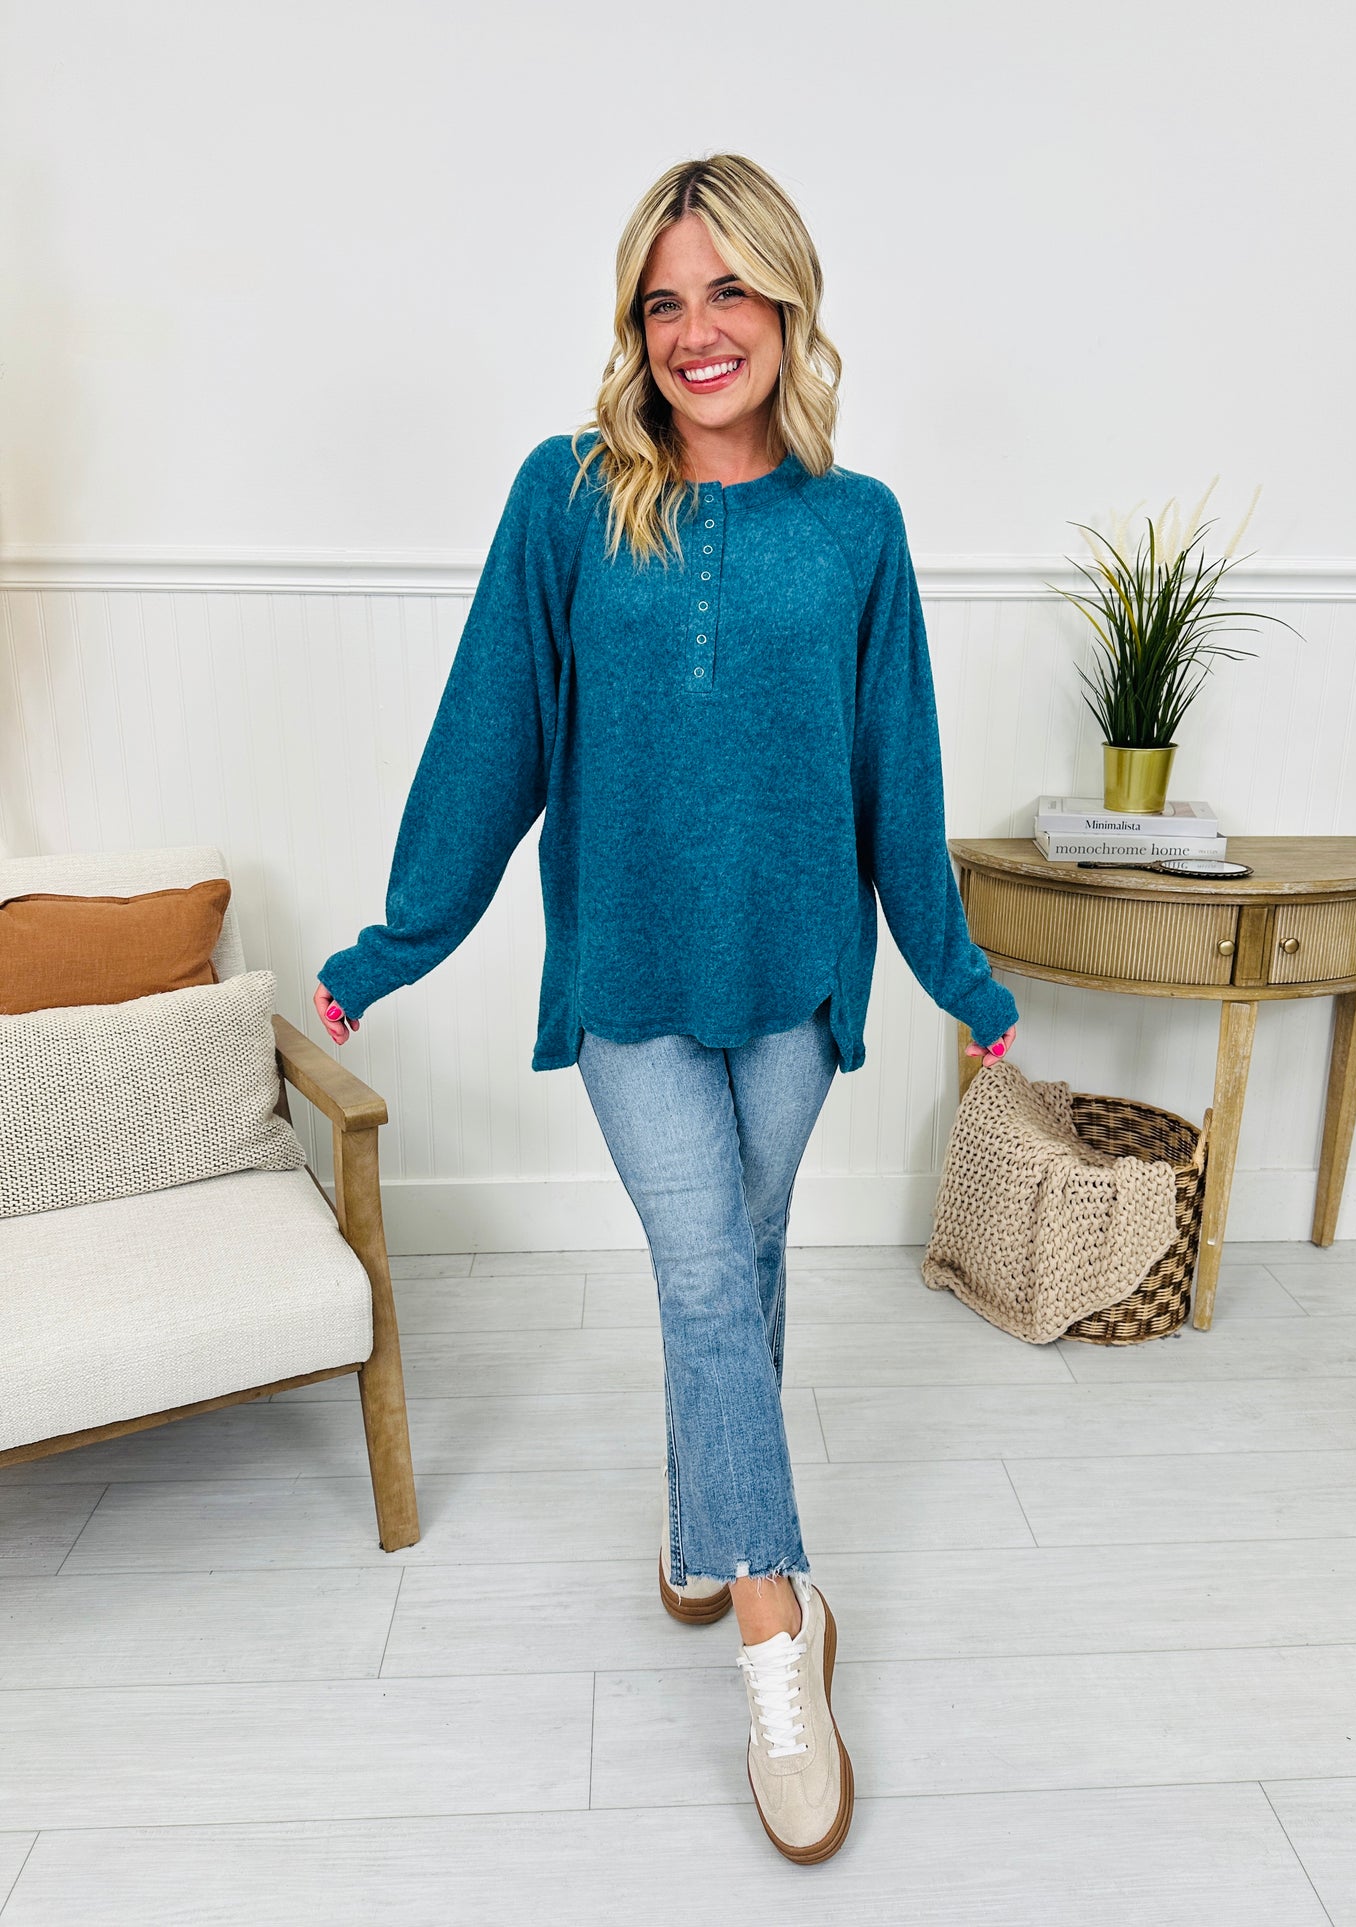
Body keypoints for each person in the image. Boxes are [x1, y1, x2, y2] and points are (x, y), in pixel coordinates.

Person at [315, 152, 1017, 1864]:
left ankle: (706, 1513)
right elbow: (490, 736)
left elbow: (896, 774)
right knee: (704, 1269)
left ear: (787, 304)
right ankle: (780, 1631)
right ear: (634, 326)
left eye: (728, 292)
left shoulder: (856, 527)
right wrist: (395, 942)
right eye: (662, 301)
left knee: (742, 1262)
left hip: (796, 975)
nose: (697, 331)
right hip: (627, 973)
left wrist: (958, 973)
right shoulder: (567, 498)